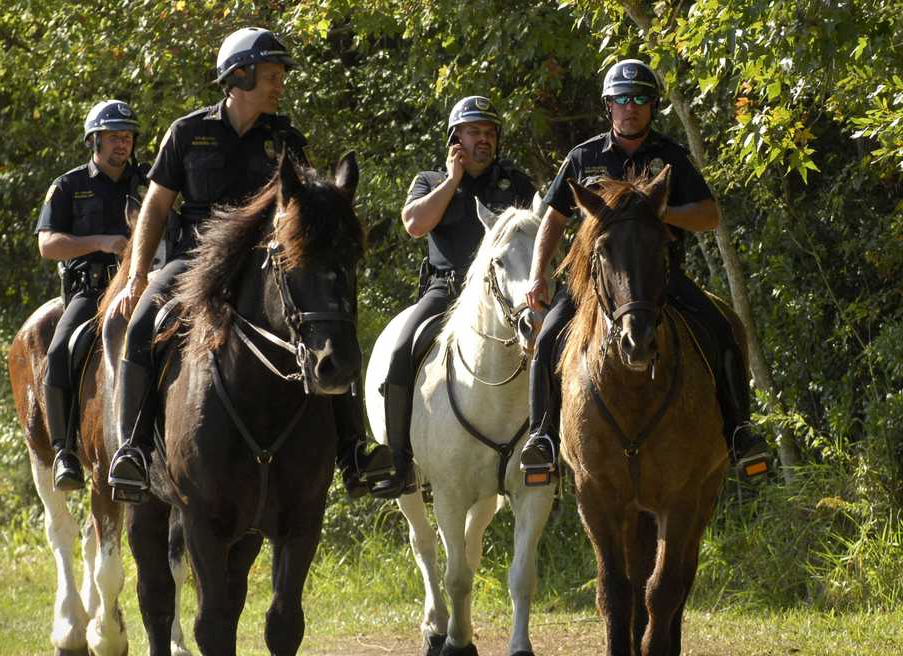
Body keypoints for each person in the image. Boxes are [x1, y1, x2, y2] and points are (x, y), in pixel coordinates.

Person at [107, 27, 391, 502]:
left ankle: (352, 452)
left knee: (331, 327)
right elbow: (156, 207)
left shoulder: (287, 139)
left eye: (281, 76)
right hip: (194, 262)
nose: (279, 85)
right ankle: (132, 451)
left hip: (266, 268)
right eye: (271, 75)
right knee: (139, 325)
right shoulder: (187, 132)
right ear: (238, 76)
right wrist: (137, 275)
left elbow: (302, 211)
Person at [520, 59, 771, 484]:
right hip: (597, 284)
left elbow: (709, 215)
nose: (630, 107)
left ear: (653, 106)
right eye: (621, 99)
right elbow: (554, 218)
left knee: (723, 328)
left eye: (639, 99)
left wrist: (658, 212)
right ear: (608, 106)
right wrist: (537, 274)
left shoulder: (670, 157)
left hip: (661, 281)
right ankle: (542, 437)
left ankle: (740, 432)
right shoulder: (583, 158)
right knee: (546, 339)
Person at [370, 96, 536, 498]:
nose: (485, 139)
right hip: (445, 289)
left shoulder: (516, 183)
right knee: (399, 354)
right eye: (475, 132)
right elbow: (414, 225)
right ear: (455, 138)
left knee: (553, 347)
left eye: (490, 132)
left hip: (507, 293)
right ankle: (398, 460)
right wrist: (452, 179)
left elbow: (539, 228)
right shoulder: (430, 181)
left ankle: (547, 451)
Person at [36, 99, 142, 490]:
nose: (122, 144)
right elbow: (48, 245)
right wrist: (101, 241)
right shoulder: (68, 185)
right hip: (92, 290)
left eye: (128, 137)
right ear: (94, 140)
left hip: (142, 287)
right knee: (59, 351)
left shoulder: (147, 182)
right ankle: (65, 450)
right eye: (114, 136)